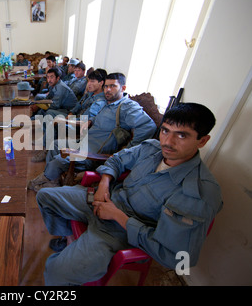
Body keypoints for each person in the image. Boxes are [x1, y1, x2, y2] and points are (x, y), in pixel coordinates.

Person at [36, 102, 223, 286]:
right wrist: (104, 182)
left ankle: (78, 250)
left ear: (202, 141)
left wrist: (117, 215)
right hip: (105, 200)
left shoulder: (198, 192)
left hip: (120, 231)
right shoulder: (151, 148)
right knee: (45, 196)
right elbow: (116, 160)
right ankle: (69, 239)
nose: (168, 141)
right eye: (165, 130)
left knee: (57, 274)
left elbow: (173, 256)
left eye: (181, 135)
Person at [28, 72, 157, 190]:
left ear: (123, 88)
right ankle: (52, 179)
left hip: (92, 154)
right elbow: (98, 121)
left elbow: (148, 127)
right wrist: (89, 122)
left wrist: (126, 153)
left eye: (112, 86)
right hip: (83, 142)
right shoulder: (109, 104)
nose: (107, 90)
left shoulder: (127, 107)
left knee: (59, 160)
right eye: (106, 86)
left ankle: (49, 179)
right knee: (55, 144)